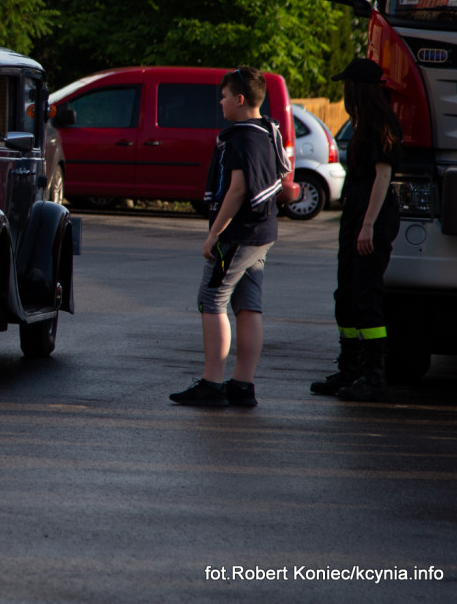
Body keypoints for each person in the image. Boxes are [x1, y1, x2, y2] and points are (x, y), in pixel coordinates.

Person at [170, 67, 284, 407]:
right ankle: (242, 386)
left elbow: (237, 190)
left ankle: (212, 383)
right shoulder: (267, 130)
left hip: (237, 236)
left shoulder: (241, 137)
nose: (220, 102)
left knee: (211, 300)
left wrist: (213, 236)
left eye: (223, 95)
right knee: (248, 305)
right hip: (262, 233)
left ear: (239, 99)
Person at [310, 58, 400, 402]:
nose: (343, 91)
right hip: (357, 210)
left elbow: (383, 176)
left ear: (358, 88)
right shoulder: (362, 122)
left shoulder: (380, 123)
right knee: (345, 292)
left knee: (365, 294)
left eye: (346, 85)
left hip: (372, 213)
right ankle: (349, 368)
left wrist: (368, 226)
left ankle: (374, 375)